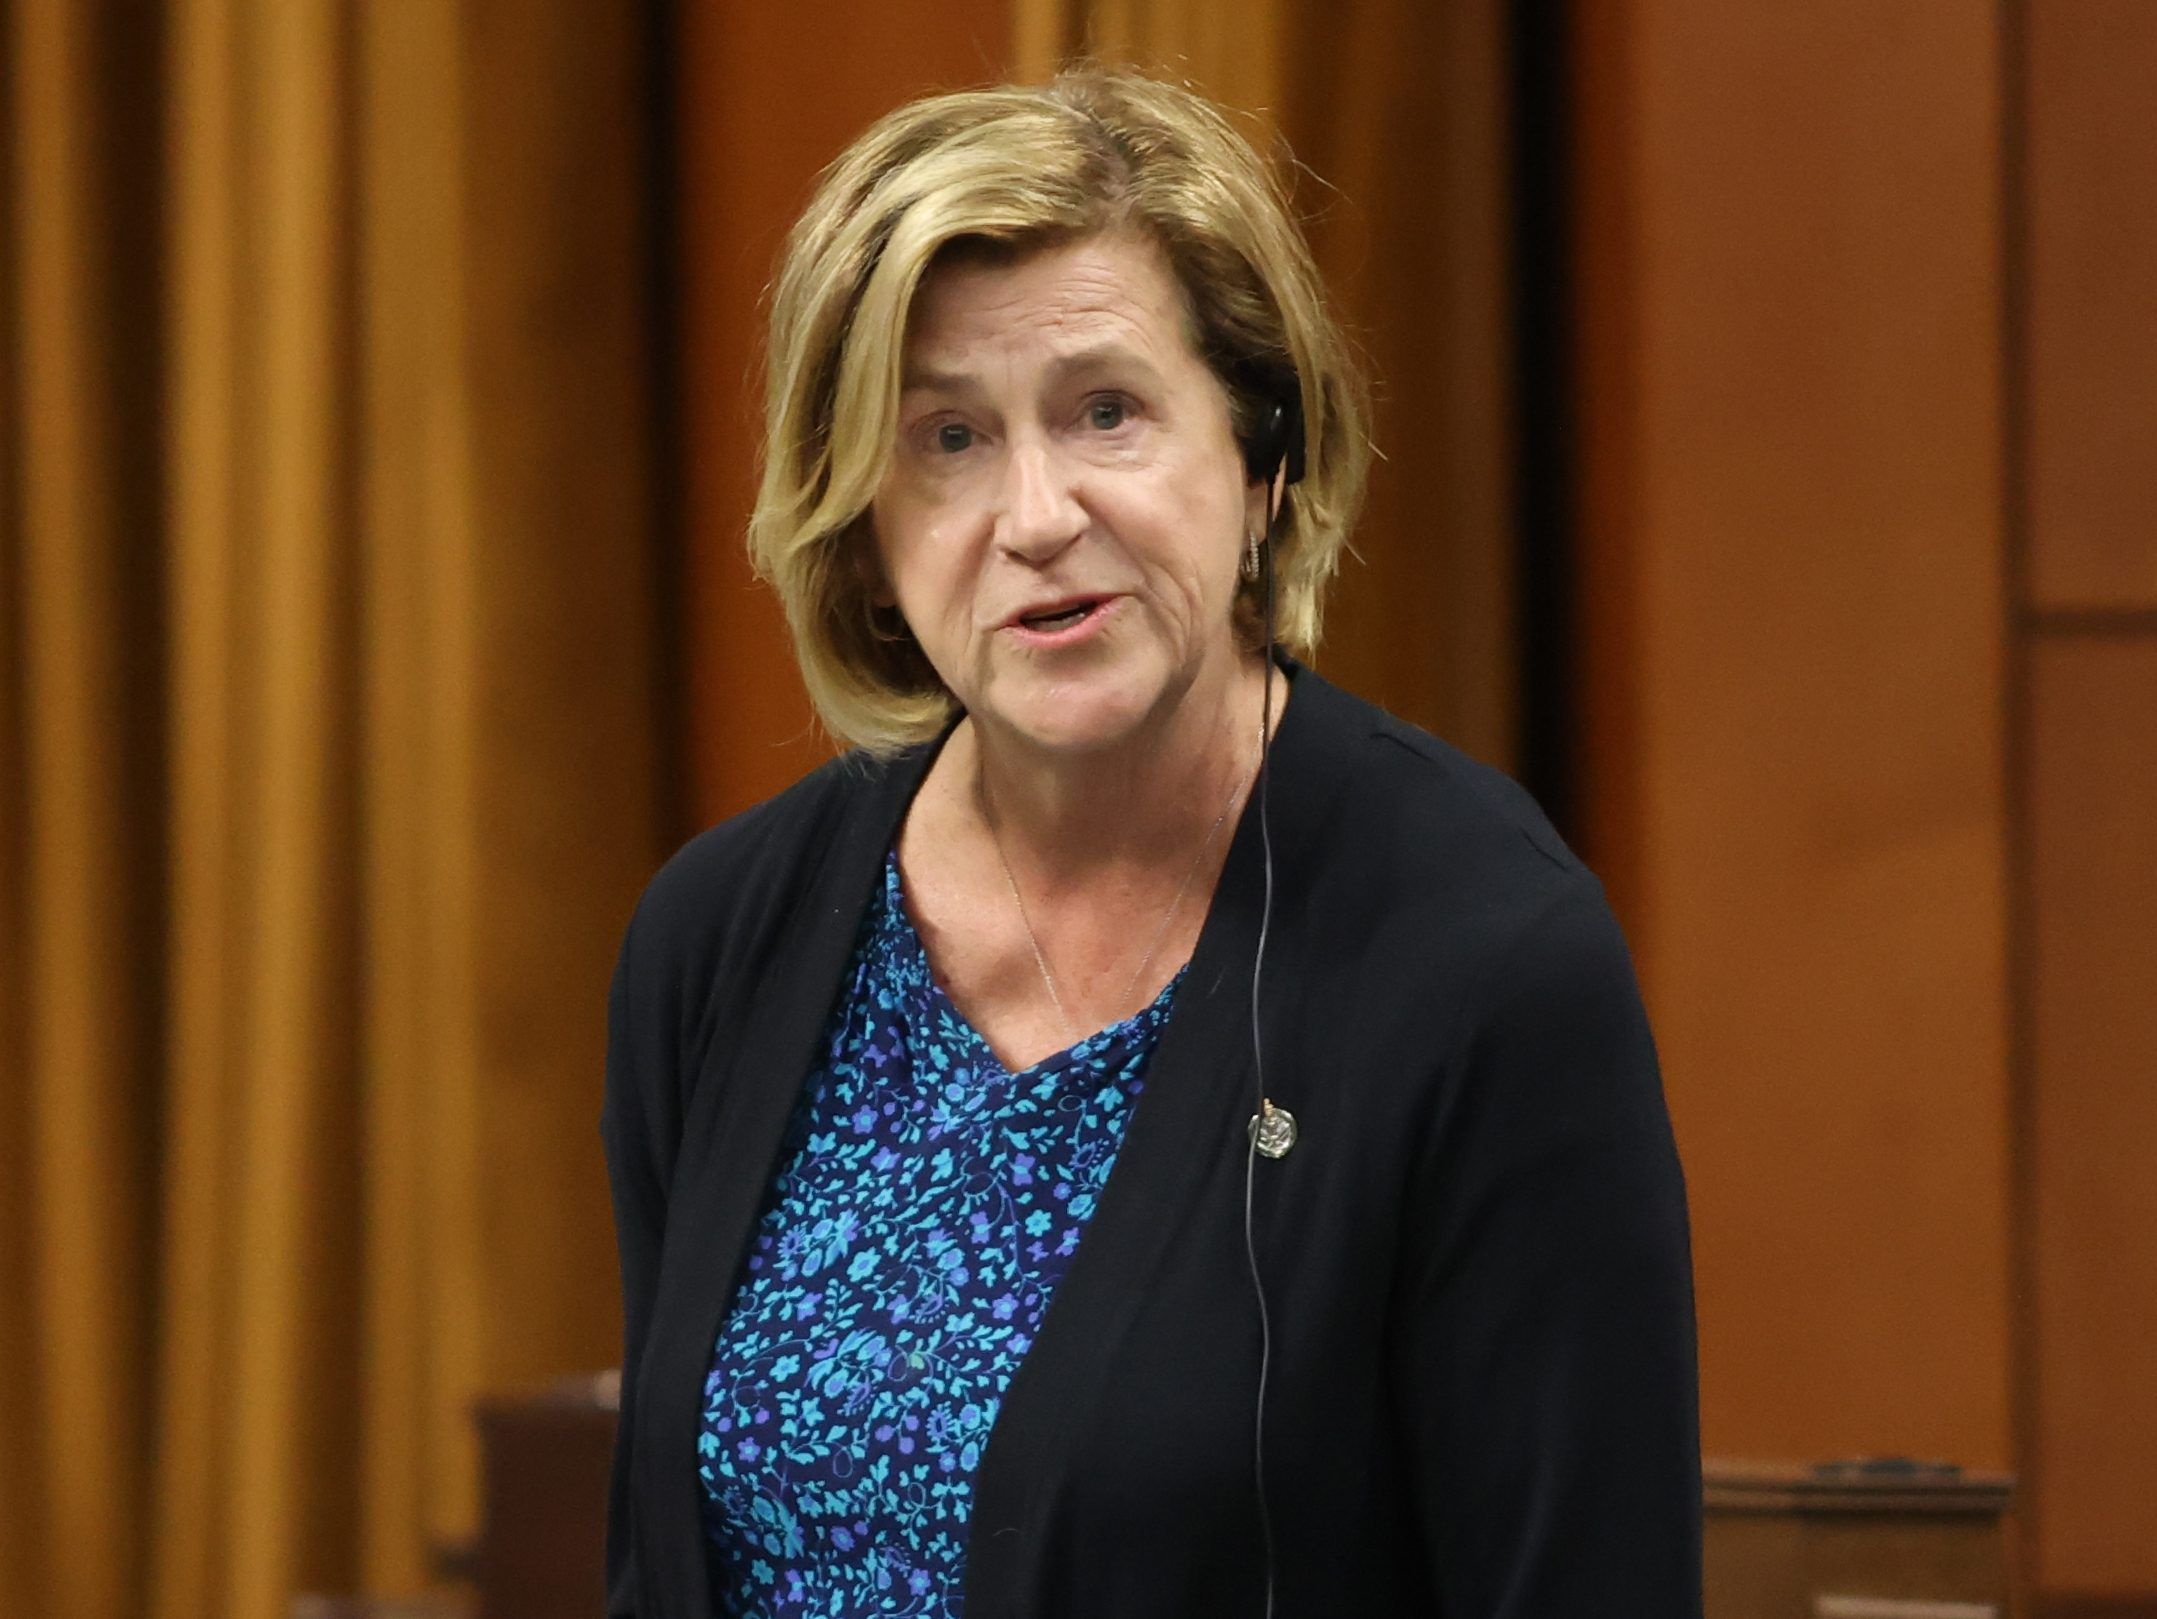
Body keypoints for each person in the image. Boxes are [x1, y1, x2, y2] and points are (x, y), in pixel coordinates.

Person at [602, 66, 1700, 1619]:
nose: (1035, 515)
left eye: (1104, 412)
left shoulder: (1481, 960)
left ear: (1260, 454)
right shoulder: (718, 942)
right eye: (947, 439)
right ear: (862, 532)